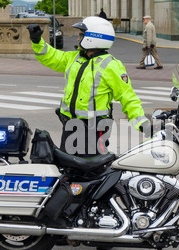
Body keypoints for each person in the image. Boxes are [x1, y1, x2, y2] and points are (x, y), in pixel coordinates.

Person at [27, 17, 151, 157]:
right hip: (70, 125)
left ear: (93, 38)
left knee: (90, 172)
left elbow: (128, 98)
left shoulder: (111, 66)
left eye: (82, 35)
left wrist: (143, 124)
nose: (78, 39)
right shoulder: (75, 58)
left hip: (94, 129)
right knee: (67, 167)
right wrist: (37, 41)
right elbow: (51, 56)